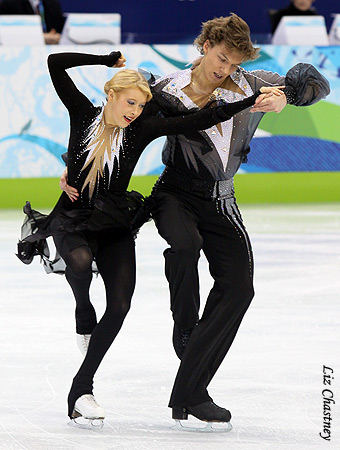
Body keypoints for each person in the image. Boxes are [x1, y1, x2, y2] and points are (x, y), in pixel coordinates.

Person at [60, 13, 329, 426]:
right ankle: (184, 326)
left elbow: (317, 84)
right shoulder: (165, 89)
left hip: (222, 199)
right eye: (222, 57)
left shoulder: (256, 83)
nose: (226, 68)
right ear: (205, 47)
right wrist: (73, 165)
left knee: (241, 288)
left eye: (234, 63)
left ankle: (192, 392)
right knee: (185, 245)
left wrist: (287, 99)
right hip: (174, 194)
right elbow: (111, 117)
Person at [17, 49, 279, 424]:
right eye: (130, 102)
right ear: (111, 95)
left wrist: (251, 101)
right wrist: (106, 59)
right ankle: (82, 308)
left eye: (141, 105)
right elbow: (55, 62)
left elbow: (203, 117)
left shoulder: (141, 129)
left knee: (121, 305)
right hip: (74, 216)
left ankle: (81, 389)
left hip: (114, 221)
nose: (134, 111)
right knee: (77, 260)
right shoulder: (82, 113)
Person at [0, 0, 65, 44]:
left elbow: (59, 28)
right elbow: (9, 34)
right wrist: (40, 38)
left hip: (51, 51)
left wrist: (56, 36)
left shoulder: (53, 3)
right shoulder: (9, 4)